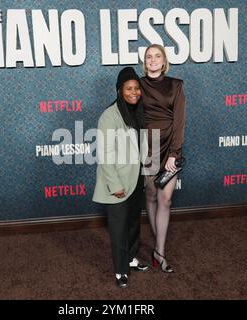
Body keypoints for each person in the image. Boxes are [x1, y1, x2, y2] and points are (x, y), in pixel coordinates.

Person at [93, 67, 149, 288]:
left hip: (136, 179)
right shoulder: (109, 116)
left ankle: (131, 258)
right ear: (119, 90)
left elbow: (141, 145)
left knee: (133, 223)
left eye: (137, 88)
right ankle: (120, 271)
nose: (134, 92)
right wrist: (115, 184)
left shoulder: (138, 111)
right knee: (118, 228)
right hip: (117, 182)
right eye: (128, 88)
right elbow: (104, 154)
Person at [140, 44, 186, 273]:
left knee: (165, 200)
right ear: (144, 61)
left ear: (164, 60)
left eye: (157, 56)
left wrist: (175, 154)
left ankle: (159, 251)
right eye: (149, 56)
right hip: (147, 149)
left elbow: (179, 121)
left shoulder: (176, 85)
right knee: (150, 194)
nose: (153, 59)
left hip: (169, 148)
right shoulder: (136, 85)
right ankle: (158, 239)